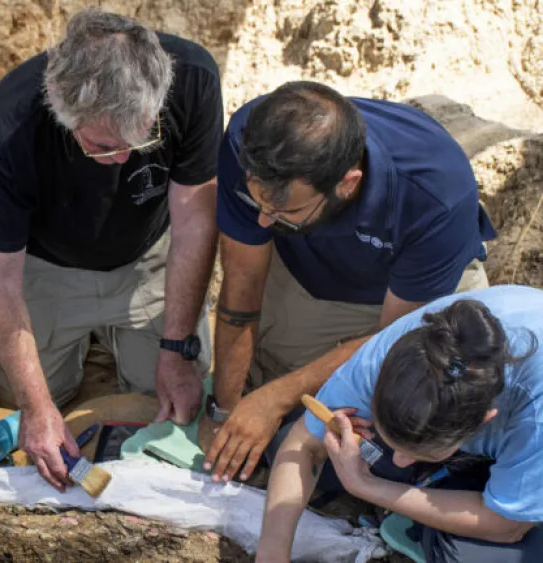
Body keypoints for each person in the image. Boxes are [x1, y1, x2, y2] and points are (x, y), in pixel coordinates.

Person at [0, 8, 223, 491]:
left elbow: (194, 218)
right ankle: (89, 346)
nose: (125, 158)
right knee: (21, 400)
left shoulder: (193, 78)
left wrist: (176, 347)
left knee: (172, 398)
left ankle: (116, 344)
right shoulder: (7, 131)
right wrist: (36, 407)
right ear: (59, 105)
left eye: (143, 136)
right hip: (45, 267)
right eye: (105, 146)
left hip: (149, 255)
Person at [201, 81, 495, 484]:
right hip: (316, 271)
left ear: (348, 183)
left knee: (415, 418)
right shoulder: (252, 140)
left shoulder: (434, 191)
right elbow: (242, 279)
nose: (264, 222)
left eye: (284, 210)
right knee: (273, 378)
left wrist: (273, 399)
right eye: (257, 202)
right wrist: (226, 410)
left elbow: (393, 337)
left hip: (422, 292)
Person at [258, 285, 543, 563]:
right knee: (303, 452)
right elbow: (303, 443)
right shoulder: (395, 357)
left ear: (485, 420)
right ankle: (430, 493)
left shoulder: (535, 412)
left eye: (420, 453)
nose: (400, 460)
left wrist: (366, 485)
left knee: (473, 553)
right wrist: (271, 553)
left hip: (528, 457)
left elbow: (508, 527)